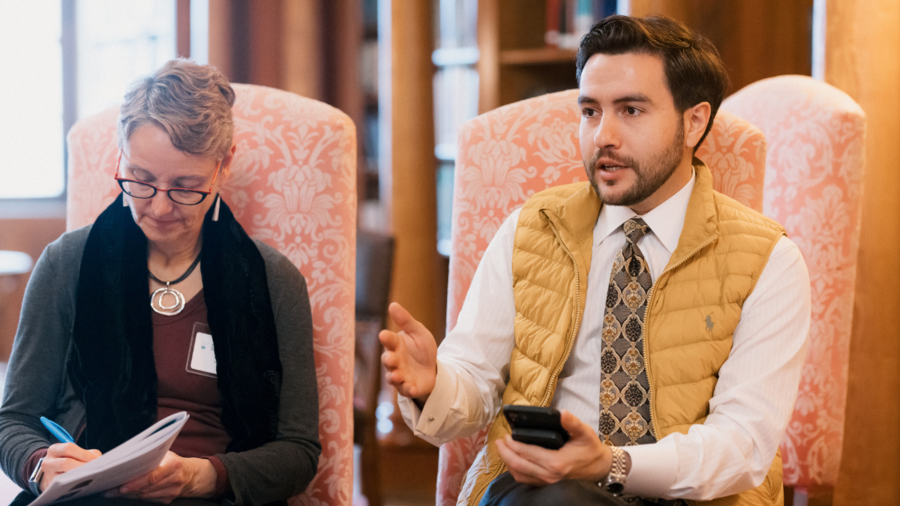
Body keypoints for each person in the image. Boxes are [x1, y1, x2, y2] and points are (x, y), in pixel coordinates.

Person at [379, 15, 810, 506]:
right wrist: (433, 384)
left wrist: (613, 464)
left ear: (693, 121)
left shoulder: (769, 260)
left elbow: (743, 445)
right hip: (544, 490)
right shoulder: (531, 229)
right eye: (589, 111)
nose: (603, 135)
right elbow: (473, 386)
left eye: (631, 110)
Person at [0, 59, 320, 506]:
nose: (161, 208)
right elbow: (12, 420)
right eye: (141, 181)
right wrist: (39, 465)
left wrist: (202, 476)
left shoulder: (272, 281)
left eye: (186, 187)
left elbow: (299, 453)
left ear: (223, 167)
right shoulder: (66, 264)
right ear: (120, 157)